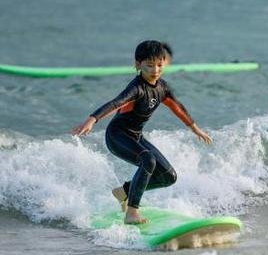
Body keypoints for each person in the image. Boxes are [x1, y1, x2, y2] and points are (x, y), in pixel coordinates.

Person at [72, 40, 212, 224]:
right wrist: (92, 119)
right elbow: (116, 103)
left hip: (136, 136)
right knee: (148, 160)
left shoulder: (162, 87)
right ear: (138, 65)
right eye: (149, 65)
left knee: (168, 177)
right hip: (117, 136)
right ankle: (131, 213)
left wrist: (195, 129)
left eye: (159, 65)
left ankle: (124, 192)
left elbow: (177, 107)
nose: (155, 70)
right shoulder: (136, 88)